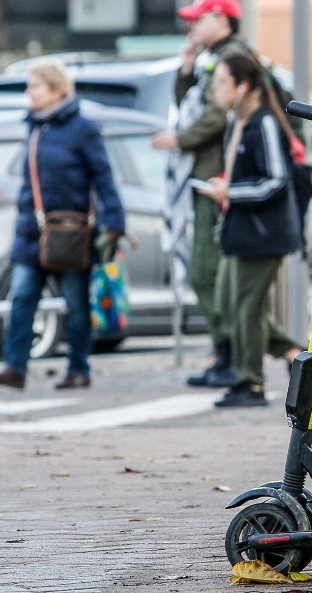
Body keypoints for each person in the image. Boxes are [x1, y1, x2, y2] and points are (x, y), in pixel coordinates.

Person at [151, 0, 258, 389]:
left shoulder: (233, 59)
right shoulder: (213, 57)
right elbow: (190, 105)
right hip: (209, 177)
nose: (191, 27)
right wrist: (185, 70)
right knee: (210, 273)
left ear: (221, 19)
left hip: (218, 179)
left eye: (199, 20)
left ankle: (233, 355)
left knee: (208, 272)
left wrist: (179, 139)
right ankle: (227, 353)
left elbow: (215, 117)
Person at [0, 58, 125, 391]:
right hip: (32, 230)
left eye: (35, 86)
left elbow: (103, 177)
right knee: (22, 297)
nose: (29, 93)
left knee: (75, 303)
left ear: (57, 90)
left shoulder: (82, 128)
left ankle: (79, 367)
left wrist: (114, 221)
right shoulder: (35, 126)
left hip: (71, 233)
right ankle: (14, 366)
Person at [197, 53, 303, 408]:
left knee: (246, 308)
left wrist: (231, 192)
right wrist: (225, 186)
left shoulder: (264, 123)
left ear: (243, 87)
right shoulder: (237, 122)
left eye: (222, 83)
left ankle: (251, 383)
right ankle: (292, 351)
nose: (216, 90)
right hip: (238, 228)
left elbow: (275, 180)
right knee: (232, 304)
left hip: (264, 233)